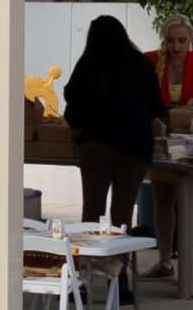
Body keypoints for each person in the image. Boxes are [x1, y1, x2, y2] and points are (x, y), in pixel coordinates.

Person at [60, 14, 163, 229]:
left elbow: (72, 97)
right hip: (135, 147)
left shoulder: (89, 63)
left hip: (96, 146)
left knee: (92, 209)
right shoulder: (141, 64)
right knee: (123, 214)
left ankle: (90, 260)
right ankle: (120, 261)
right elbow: (156, 106)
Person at [152, 14, 193, 137]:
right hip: (159, 134)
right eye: (170, 41)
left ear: (191, 38)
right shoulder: (150, 60)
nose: (176, 47)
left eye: (182, 40)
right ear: (164, 40)